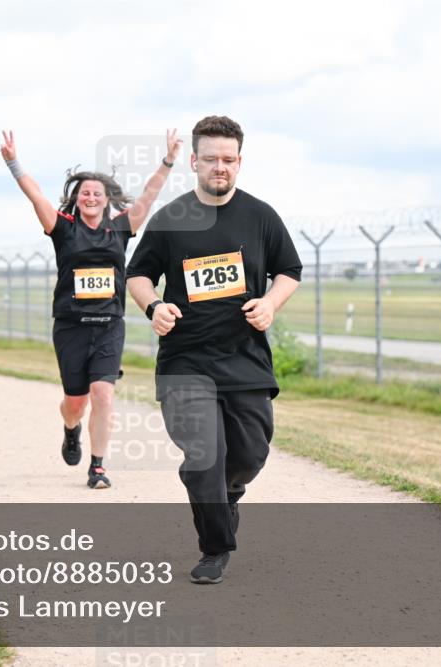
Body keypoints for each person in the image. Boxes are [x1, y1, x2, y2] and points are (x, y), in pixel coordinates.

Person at [126, 116, 302, 583]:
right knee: (205, 455)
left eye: (228, 159)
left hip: (245, 359)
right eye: (210, 159)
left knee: (248, 456)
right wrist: (154, 307)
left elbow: (289, 271)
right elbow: (138, 275)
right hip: (185, 360)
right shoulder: (171, 219)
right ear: (194, 162)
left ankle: (225, 497)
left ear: (239, 161)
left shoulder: (261, 216)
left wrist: (270, 303)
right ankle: (214, 548)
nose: (219, 167)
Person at [1, 129, 181, 489]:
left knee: (103, 393)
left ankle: (97, 466)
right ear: (77, 198)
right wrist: (13, 163)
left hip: (109, 325)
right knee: (75, 403)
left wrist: (168, 161)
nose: (91, 197)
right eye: (85, 192)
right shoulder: (62, 228)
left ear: (106, 199)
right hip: (71, 326)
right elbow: (35, 194)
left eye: (97, 193)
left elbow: (149, 195)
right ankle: (71, 430)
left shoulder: (121, 228)